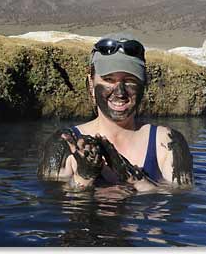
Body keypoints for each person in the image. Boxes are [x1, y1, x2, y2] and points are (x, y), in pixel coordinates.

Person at [44, 33, 193, 192]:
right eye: (108, 80)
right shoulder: (65, 143)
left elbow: (180, 203)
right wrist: (84, 177)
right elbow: (53, 206)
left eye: (130, 80)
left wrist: (134, 178)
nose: (120, 92)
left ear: (144, 85)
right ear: (91, 84)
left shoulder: (169, 143)